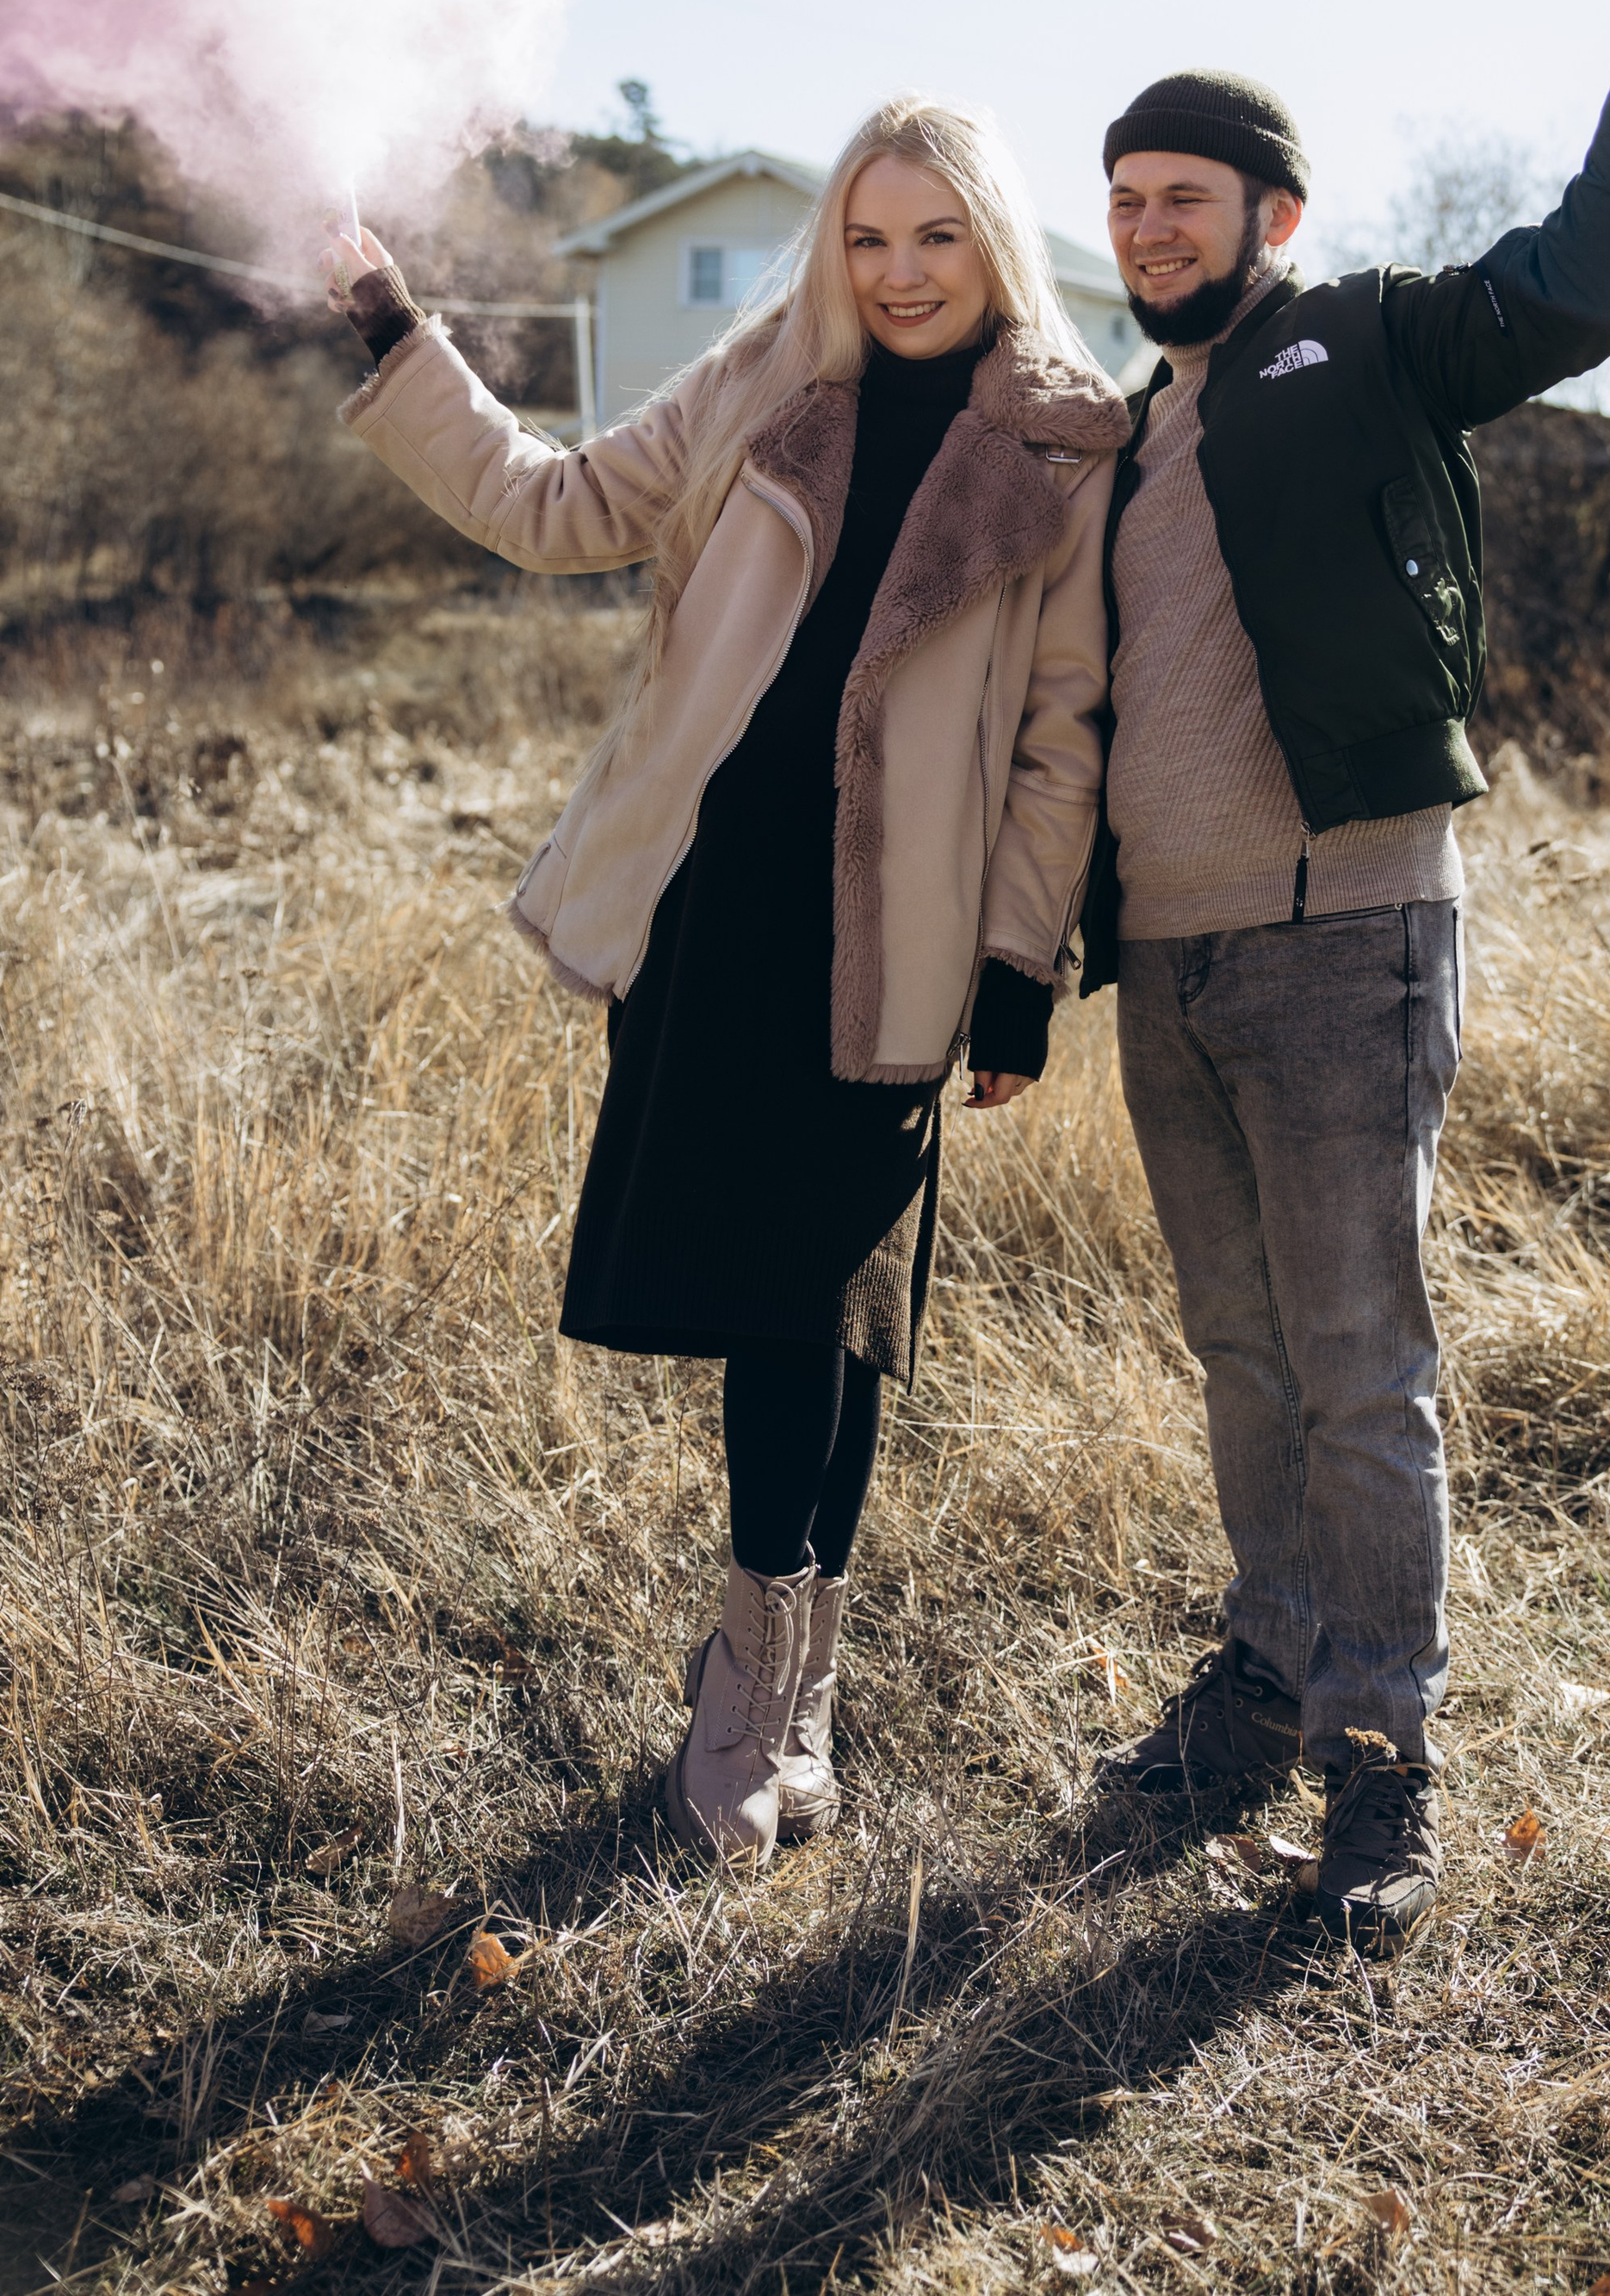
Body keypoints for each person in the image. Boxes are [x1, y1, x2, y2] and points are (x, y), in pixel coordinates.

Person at [1083, 0, 1610, 1953]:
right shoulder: (1121, 440)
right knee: (1234, 1346)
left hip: (1343, 928)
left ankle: (1378, 1759)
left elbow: (1585, 275)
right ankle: (1269, 1672)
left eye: (1180, 197)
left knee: (1355, 1358)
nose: (1145, 228)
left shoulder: (1369, 345)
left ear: (1268, 217)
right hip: (1171, 958)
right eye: (1118, 201)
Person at [321, 100, 1129, 1871]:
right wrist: (398, 337)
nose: (897, 273)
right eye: (865, 236)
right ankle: (766, 1690)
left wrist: (1017, 970)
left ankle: (773, 1693)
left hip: (907, 929)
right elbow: (549, 506)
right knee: (779, 1303)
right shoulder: (757, 386)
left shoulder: (1069, 443)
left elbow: (1062, 738)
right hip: (717, 904)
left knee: (827, 1307)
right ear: (831, 248)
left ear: (991, 244)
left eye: (933, 237)